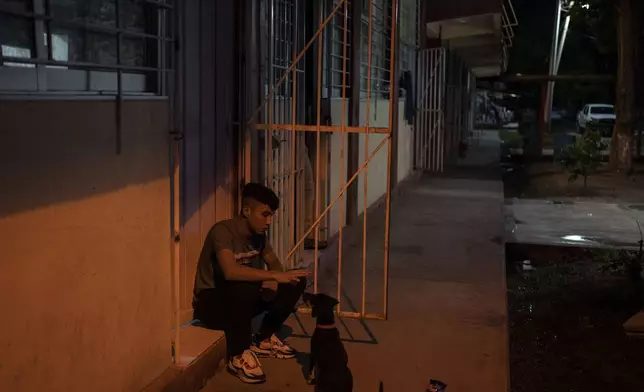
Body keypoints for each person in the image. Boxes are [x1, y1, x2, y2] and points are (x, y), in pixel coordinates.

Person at [192, 182, 311, 384]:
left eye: (271, 215)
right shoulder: (222, 232)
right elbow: (231, 272)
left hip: (239, 302)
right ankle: (238, 355)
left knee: (295, 280)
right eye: (264, 214)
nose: (269, 221)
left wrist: (278, 280)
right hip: (211, 305)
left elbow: (276, 267)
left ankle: (263, 339)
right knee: (244, 283)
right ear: (246, 211)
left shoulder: (259, 237)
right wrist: (271, 277)